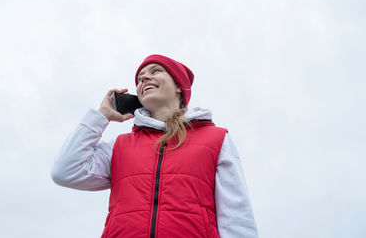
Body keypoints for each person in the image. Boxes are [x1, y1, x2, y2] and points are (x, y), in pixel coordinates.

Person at [51, 54, 259, 238]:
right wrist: (101, 116)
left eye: (156, 71)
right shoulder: (120, 146)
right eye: (140, 77)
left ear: (179, 86)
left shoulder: (216, 139)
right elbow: (65, 171)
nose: (144, 78)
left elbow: (236, 216)